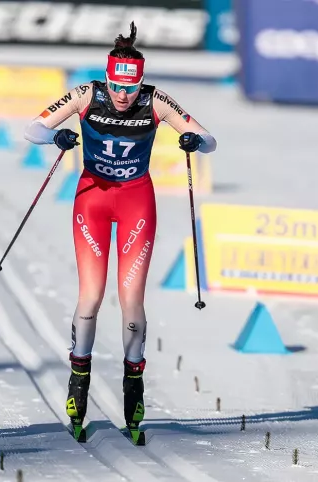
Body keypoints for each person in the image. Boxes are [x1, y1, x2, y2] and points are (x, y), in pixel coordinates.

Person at [23, 22, 217, 443]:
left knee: (131, 303)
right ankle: (78, 381)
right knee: (90, 297)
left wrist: (192, 140)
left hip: (135, 202)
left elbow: (209, 138)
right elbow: (31, 129)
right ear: (108, 78)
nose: (123, 95)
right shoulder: (86, 94)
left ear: (140, 83)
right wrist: (55, 134)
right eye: (116, 86)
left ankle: (134, 386)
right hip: (92, 198)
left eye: (130, 88)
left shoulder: (155, 100)